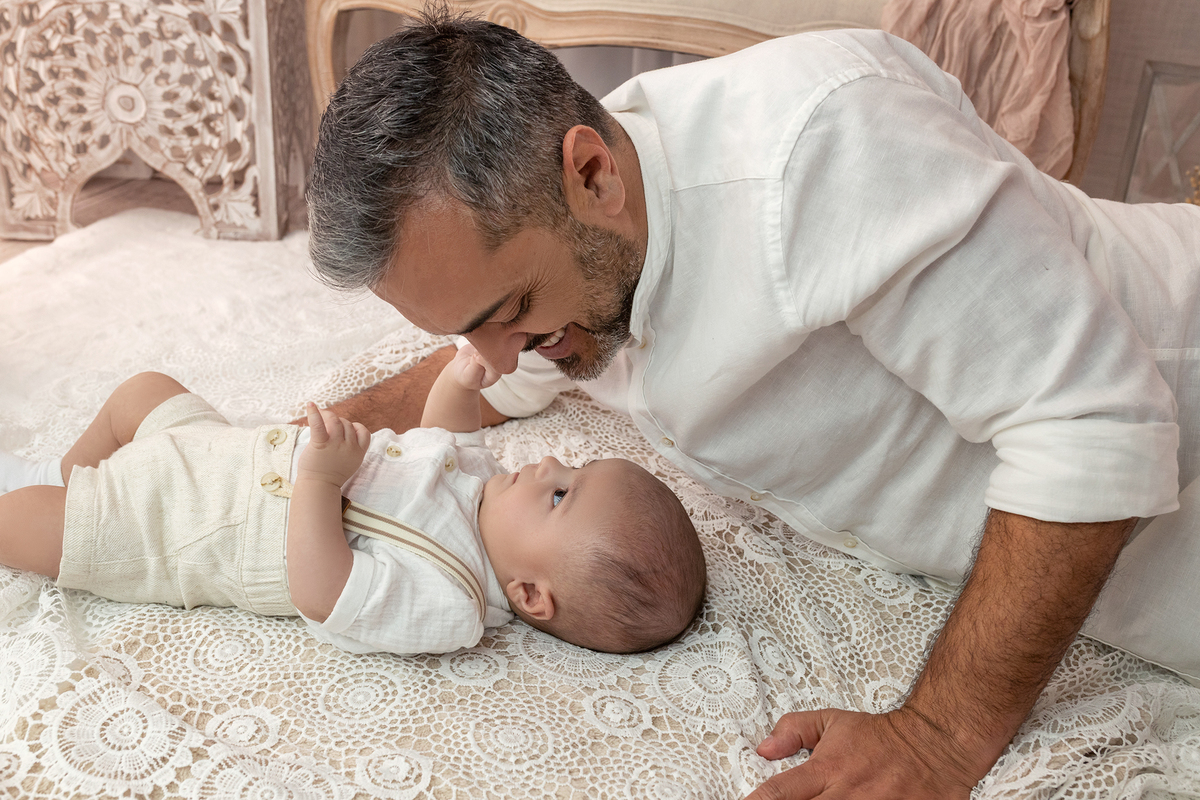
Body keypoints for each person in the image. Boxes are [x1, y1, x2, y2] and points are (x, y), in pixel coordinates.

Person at [302, 6, 1200, 799]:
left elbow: (1092, 426)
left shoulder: (825, 149)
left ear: (591, 176)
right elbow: (491, 377)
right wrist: (284, 453)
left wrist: (937, 737)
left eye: (508, 316)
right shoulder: (573, 265)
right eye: (469, 331)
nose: (487, 362)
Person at [0, 346, 707, 656]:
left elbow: (325, 593)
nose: (550, 460)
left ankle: (68, 502)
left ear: (529, 594)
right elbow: (441, 434)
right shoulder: (481, 487)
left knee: (25, 525)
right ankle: (67, 476)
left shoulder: (451, 601)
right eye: (571, 464)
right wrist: (461, 383)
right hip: (225, 452)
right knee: (142, 392)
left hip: (191, 527)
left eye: (561, 493)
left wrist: (318, 483)